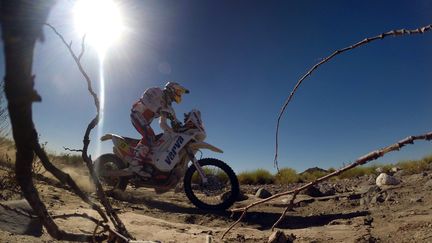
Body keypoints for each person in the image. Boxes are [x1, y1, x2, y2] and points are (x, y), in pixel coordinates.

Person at [127, 82, 189, 177]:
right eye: (179, 92)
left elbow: (163, 123)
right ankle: (135, 165)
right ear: (172, 89)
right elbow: (145, 100)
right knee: (150, 136)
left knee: (156, 141)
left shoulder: (168, 107)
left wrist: (175, 130)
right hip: (137, 113)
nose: (179, 95)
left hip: (145, 121)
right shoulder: (157, 91)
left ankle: (145, 163)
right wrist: (161, 110)